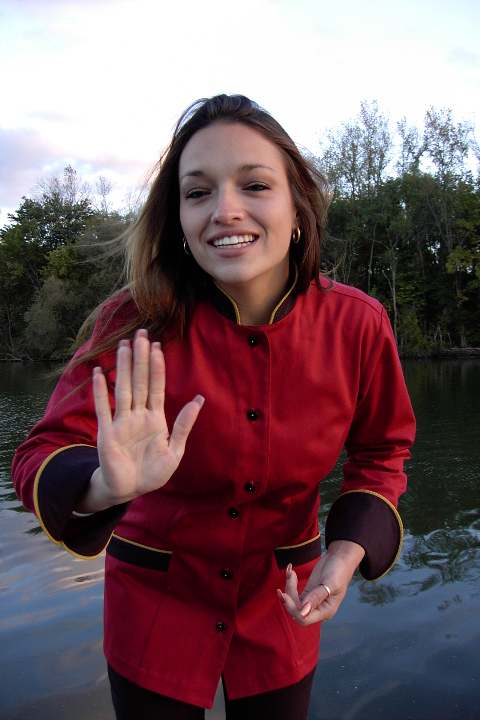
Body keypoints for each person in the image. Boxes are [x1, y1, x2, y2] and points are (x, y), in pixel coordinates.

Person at [12, 94, 416, 720]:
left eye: (254, 184)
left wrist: (345, 552)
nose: (225, 210)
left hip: (285, 596)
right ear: (177, 217)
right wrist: (100, 484)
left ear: (297, 207)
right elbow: (40, 453)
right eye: (197, 192)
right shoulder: (133, 322)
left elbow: (382, 451)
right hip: (154, 597)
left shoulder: (358, 325)